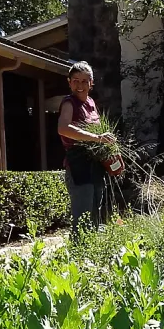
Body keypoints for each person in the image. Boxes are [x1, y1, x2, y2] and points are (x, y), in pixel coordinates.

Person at [57, 61, 116, 235]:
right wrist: (97, 138)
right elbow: (63, 128)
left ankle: (93, 249)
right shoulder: (69, 103)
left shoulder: (90, 102)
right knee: (82, 217)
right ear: (69, 82)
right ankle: (78, 250)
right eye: (76, 81)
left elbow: (98, 130)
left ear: (91, 83)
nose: (80, 86)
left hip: (95, 165)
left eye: (84, 81)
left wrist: (108, 145)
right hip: (78, 166)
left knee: (95, 215)